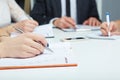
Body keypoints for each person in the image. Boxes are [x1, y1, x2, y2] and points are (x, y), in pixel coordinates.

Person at [30, 0, 101, 29]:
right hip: (56, 37)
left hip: (83, 37)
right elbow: (35, 16)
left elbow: (95, 16)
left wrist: (93, 20)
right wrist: (54, 22)